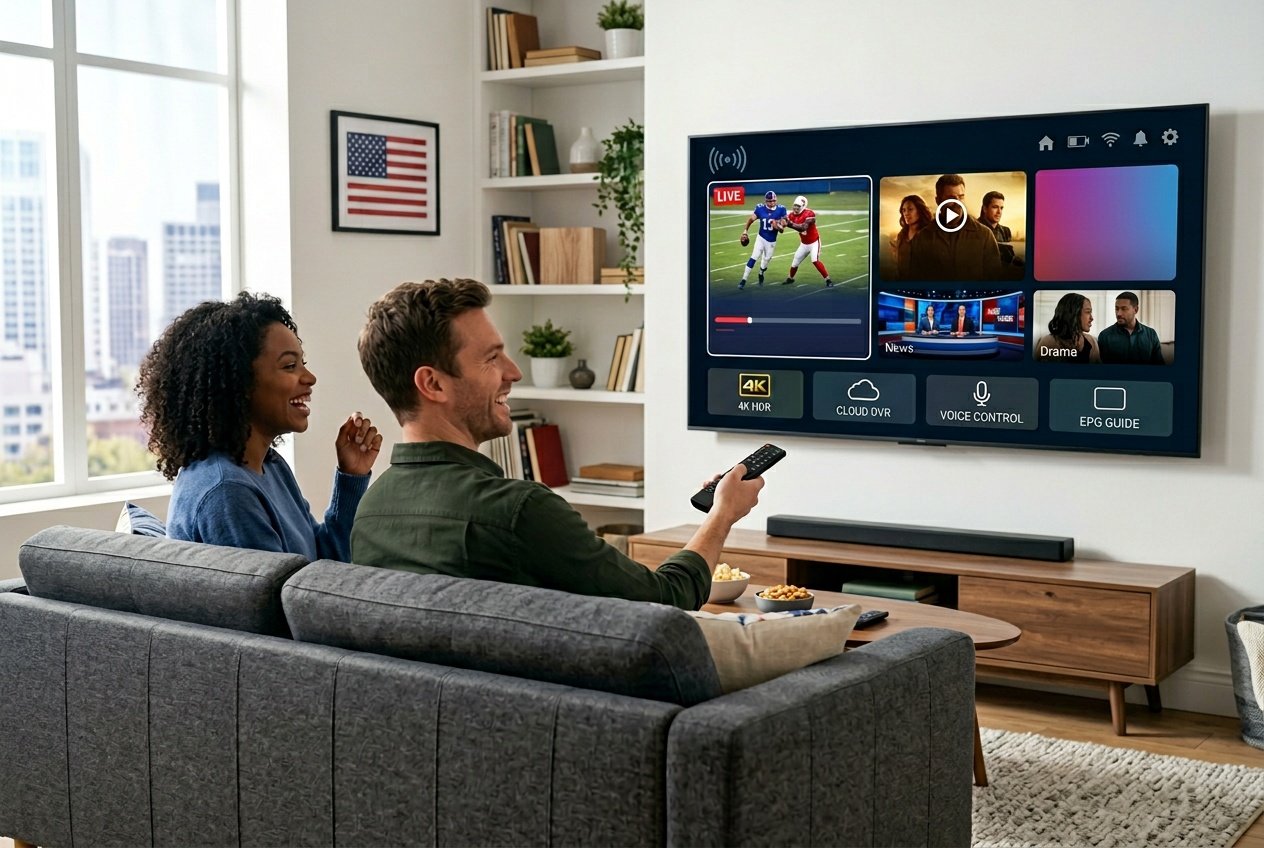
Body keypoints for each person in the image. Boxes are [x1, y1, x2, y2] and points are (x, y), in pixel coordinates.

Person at [351, 279, 764, 610]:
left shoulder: (370, 513)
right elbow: (664, 601)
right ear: (433, 384)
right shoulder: (519, 511)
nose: (514, 372)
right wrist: (722, 514)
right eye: (492, 358)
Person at [138, 292, 383, 561]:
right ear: (238, 383)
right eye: (290, 366)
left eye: (303, 363)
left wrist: (351, 477)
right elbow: (289, 588)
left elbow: (324, 561)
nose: (310, 378)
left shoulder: (270, 465)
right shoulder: (227, 491)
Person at [907, 174, 1001, 281]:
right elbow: (915, 281)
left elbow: (995, 280)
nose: (958, 203)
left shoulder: (984, 235)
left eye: (961, 197)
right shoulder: (921, 238)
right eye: (951, 198)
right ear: (938, 200)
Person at [1097, 291, 1166, 364]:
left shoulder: (1151, 334)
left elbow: (1159, 365)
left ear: (1135, 310)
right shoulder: (1104, 336)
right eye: (1116, 309)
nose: (1118, 313)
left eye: (1124, 309)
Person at [781, 195, 835, 287]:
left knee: (815, 260)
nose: (796, 208)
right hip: (804, 244)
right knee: (795, 261)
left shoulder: (809, 214)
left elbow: (803, 228)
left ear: (803, 206)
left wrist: (789, 224)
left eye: (798, 206)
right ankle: (790, 278)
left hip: (814, 242)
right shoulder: (791, 215)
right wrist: (779, 224)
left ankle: (828, 280)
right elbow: (783, 222)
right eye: (795, 205)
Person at [738, 190, 788, 289]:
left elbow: (783, 228)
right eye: (770, 201)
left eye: (773, 201)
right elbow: (751, 219)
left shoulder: (781, 209)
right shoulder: (760, 208)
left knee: (766, 260)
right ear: (766, 201)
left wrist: (778, 226)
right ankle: (743, 280)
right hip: (761, 238)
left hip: (771, 241)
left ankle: (761, 273)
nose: (772, 203)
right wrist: (745, 230)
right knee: (754, 257)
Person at [1034, 292, 1101, 363]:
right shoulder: (1048, 342)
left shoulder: (1092, 341)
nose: (1092, 318)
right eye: (1088, 312)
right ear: (1073, 313)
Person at [891, 194, 933, 279]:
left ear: (919, 210)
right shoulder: (901, 235)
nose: (906, 213)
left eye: (910, 209)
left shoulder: (930, 234)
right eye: (904, 210)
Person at [978, 190, 1022, 271]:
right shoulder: (974, 229)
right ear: (985, 208)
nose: (999, 212)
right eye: (995, 207)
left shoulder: (1006, 231)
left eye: (1001, 208)